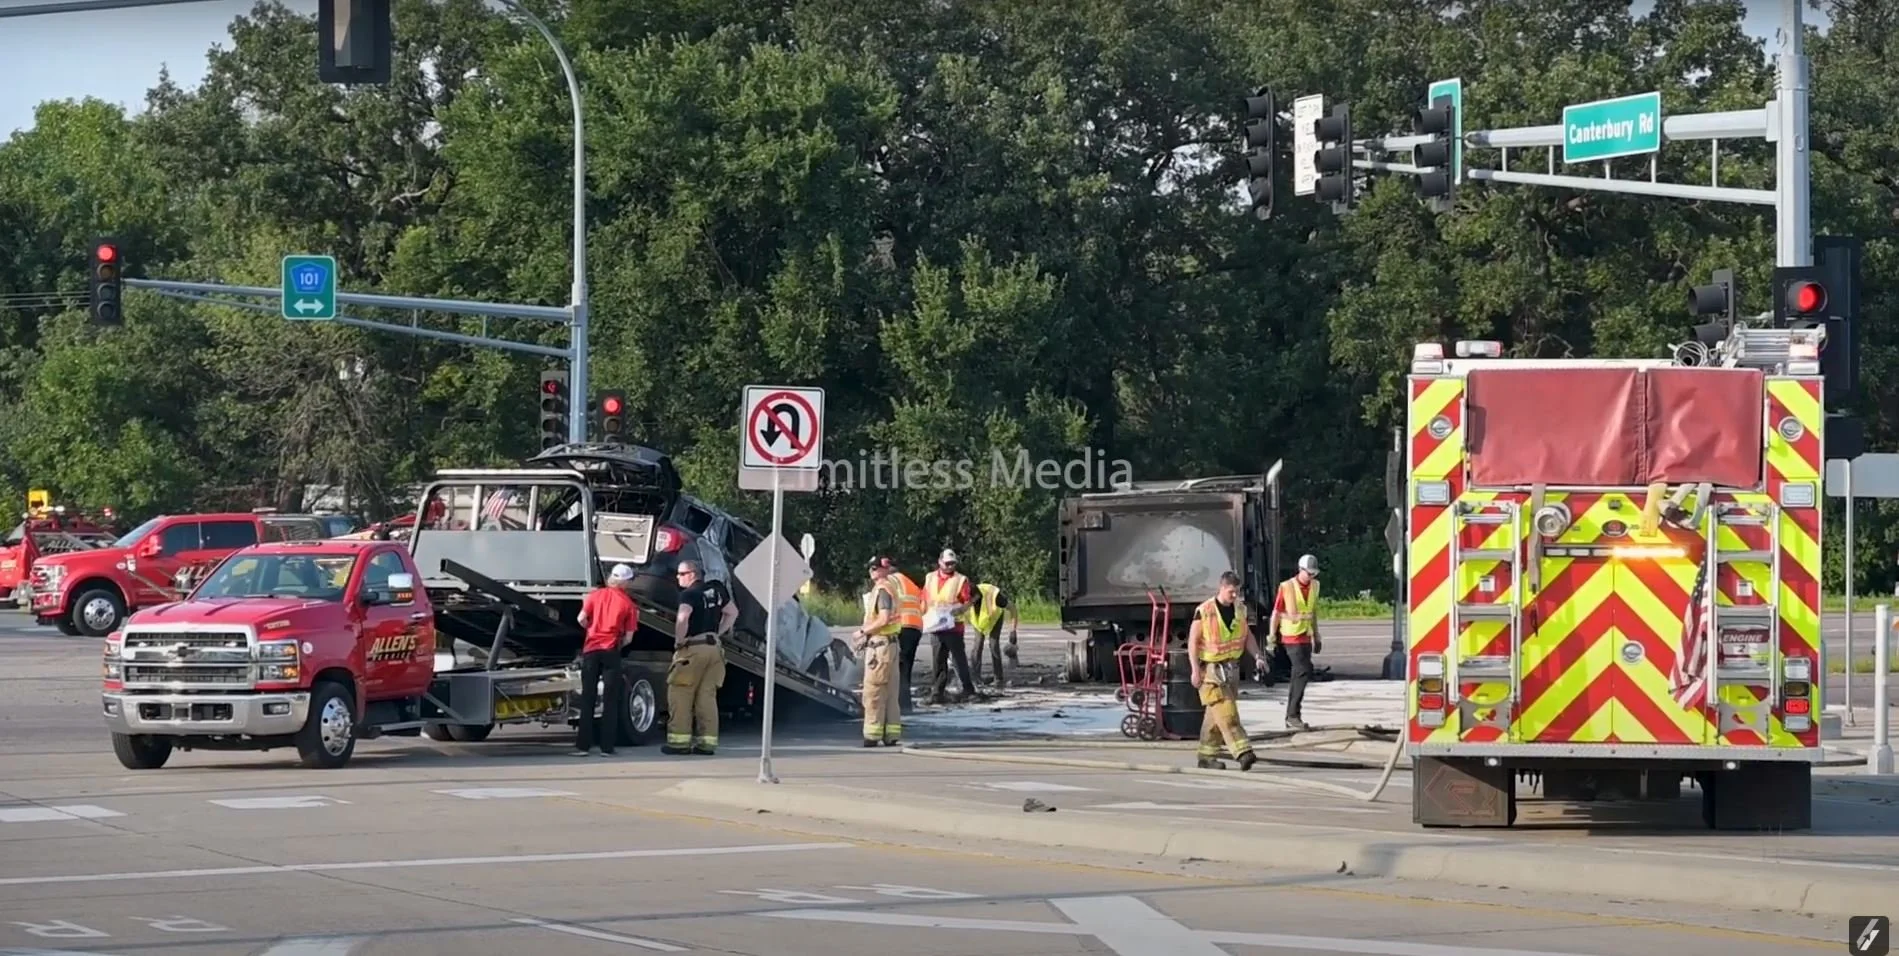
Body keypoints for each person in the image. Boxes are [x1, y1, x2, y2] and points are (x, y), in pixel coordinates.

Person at [1190, 571, 1266, 770]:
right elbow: (1193, 642)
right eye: (1231, 591)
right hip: (1211, 672)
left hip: (1231, 670)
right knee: (1227, 713)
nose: (1235, 595)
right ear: (1222, 588)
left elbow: (1246, 635)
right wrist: (1195, 670)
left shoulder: (1239, 609)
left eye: (1237, 592)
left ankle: (1206, 757)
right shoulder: (1204, 611)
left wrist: (1258, 656)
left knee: (1214, 719)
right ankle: (1243, 752)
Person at [664, 559, 736, 756]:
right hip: (714, 650)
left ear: (693, 574)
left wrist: (679, 641)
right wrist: (717, 633)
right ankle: (707, 744)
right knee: (707, 697)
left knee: (680, 693)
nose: (678, 578)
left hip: (693, 648)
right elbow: (732, 613)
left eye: (681, 574)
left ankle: (679, 744)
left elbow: (683, 618)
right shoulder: (716, 592)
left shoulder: (689, 594)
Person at [572, 563, 639, 756]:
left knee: (588, 697)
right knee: (610, 699)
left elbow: (581, 619)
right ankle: (606, 747)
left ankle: (582, 746)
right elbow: (629, 637)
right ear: (625, 582)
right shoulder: (628, 604)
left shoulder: (594, 595)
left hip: (591, 649)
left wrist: (591, 629)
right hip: (611, 651)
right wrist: (617, 642)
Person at [1269, 553, 1322, 732]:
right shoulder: (1287, 587)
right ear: (1300, 570)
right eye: (1309, 573)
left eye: (1314, 574)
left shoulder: (1315, 586)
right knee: (1302, 671)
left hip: (1305, 636)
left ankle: (1292, 715)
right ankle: (1292, 715)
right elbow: (1276, 614)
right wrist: (1271, 638)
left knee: (1299, 675)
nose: (1311, 577)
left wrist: (1317, 636)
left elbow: (1312, 612)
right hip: (1291, 637)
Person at [855, 557, 904, 746]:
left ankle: (872, 735)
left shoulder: (883, 590)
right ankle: (891, 734)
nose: (873, 570)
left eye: (877, 568)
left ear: (886, 570)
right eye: (872, 568)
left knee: (874, 691)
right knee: (891, 692)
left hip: (880, 648)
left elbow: (883, 619)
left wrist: (862, 632)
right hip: (889, 646)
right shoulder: (889, 588)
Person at [919, 549, 978, 703]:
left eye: (953, 563)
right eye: (947, 563)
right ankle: (937, 692)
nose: (950, 566)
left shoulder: (960, 580)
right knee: (938, 660)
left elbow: (968, 600)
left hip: (954, 626)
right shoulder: (930, 578)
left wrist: (962, 609)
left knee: (959, 659)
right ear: (940, 562)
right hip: (935, 625)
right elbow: (924, 598)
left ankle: (968, 689)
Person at [870, 558, 926, 714]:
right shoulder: (908, 581)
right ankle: (905, 704)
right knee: (906, 667)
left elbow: (884, 608)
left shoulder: (887, 583)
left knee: (895, 669)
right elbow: (924, 604)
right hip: (916, 627)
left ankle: (899, 705)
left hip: (901, 627)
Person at [968, 579, 1018, 686]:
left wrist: (1013, 630)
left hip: (995, 618)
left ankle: (998, 678)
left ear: (977, 596)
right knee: (977, 645)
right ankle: (975, 678)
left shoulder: (994, 595)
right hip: (979, 621)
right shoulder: (965, 596)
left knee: (994, 644)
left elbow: (1012, 608)